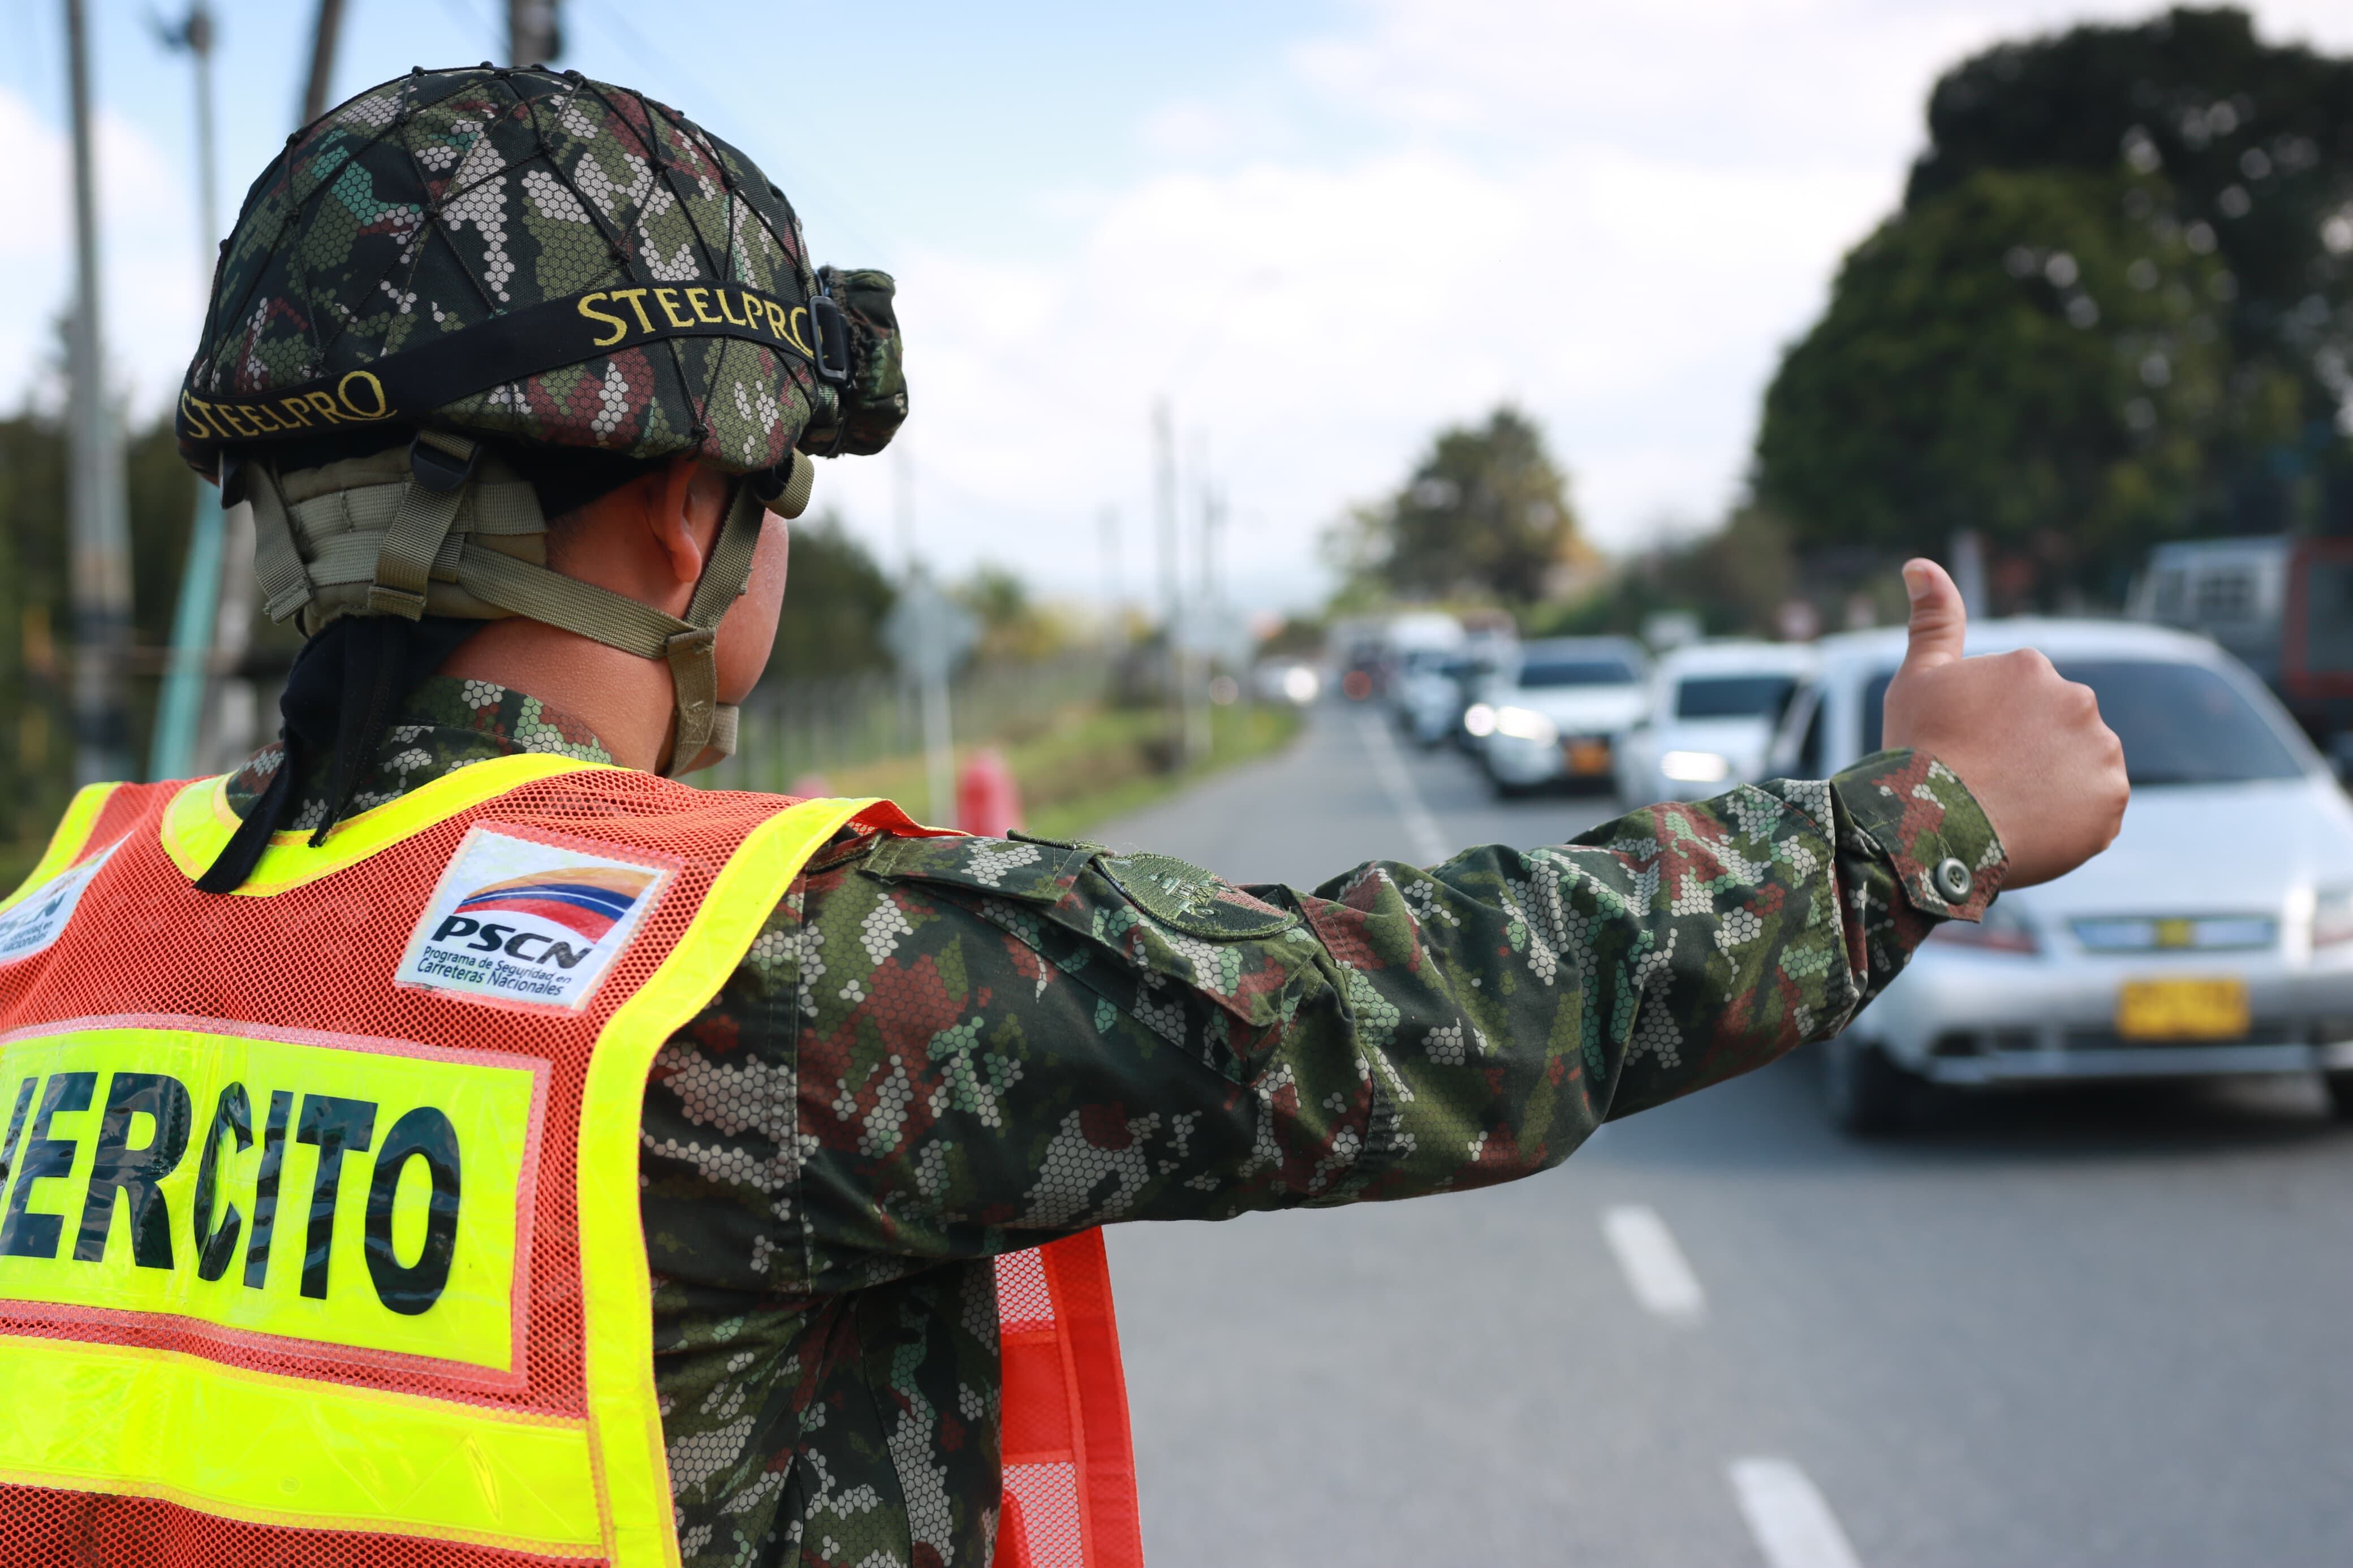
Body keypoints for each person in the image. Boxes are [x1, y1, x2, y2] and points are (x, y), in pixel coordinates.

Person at [0, 66, 2126, 1568]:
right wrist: (1913, 819)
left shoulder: (58, 944)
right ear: (680, 521)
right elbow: (1384, 1015)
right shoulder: (732, 983)